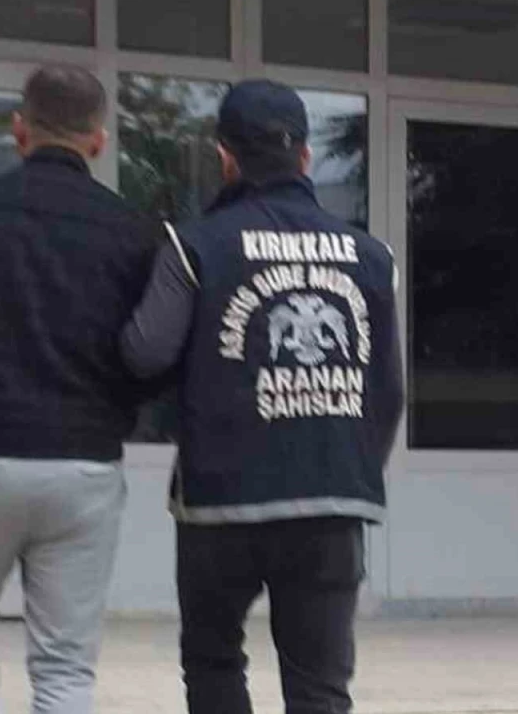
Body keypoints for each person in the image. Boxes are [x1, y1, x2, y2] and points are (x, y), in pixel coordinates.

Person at [120, 79, 405, 714]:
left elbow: (145, 352)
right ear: (305, 156)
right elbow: (387, 391)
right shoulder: (371, 257)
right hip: (331, 499)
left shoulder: (195, 245)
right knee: (321, 688)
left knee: (214, 660)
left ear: (225, 157)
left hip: (223, 501)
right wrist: (351, 465)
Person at [0, 65, 162, 714]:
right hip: (84, 463)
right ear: (98, 140)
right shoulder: (132, 229)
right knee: (66, 663)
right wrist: (115, 406)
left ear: (20, 130)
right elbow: (149, 348)